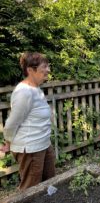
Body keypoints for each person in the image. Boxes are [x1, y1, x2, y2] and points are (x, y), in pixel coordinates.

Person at [0, 52, 55, 190]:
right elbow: (12, 124)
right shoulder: (24, 92)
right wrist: (7, 142)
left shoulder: (35, 89)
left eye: (48, 66)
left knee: (49, 184)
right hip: (30, 147)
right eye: (44, 66)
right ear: (30, 70)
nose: (48, 69)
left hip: (43, 143)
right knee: (30, 190)